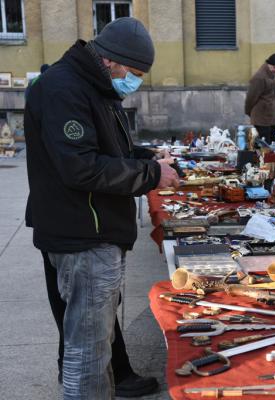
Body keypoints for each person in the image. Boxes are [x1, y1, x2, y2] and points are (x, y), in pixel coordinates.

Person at [24, 17, 179, 399]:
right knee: (87, 353)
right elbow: (80, 167)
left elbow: (108, 150)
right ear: (112, 61)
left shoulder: (92, 86)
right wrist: (148, 174)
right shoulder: (65, 88)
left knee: (90, 343)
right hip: (82, 236)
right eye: (136, 72)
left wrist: (148, 158)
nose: (136, 81)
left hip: (88, 230)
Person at [245, 53, 275, 144]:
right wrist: (249, 112)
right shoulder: (259, 77)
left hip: (269, 119)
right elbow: (251, 97)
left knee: (274, 144)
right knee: (264, 147)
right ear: (268, 64)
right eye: (274, 67)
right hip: (261, 120)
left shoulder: (270, 76)